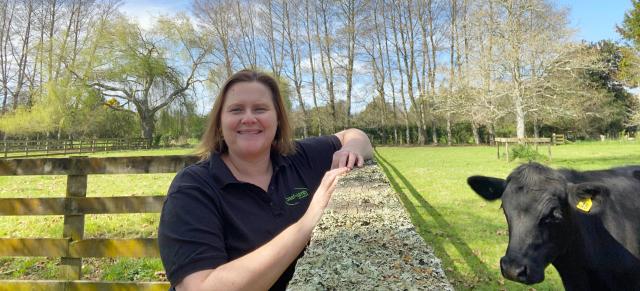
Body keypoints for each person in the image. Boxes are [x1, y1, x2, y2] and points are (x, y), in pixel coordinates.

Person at [158, 69, 373, 291]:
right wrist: (308, 222)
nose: (249, 118)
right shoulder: (192, 188)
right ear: (219, 122)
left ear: (278, 119)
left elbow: (356, 135)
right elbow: (200, 287)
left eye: (260, 109)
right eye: (236, 110)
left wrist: (349, 149)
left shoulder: (297, 157)